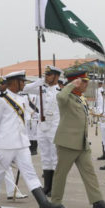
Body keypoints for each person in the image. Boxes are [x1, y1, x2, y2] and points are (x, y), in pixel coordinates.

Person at [0, 70, 61, 208]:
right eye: (22, 81)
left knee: (30, 173)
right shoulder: (1, 100)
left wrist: (42, 80)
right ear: (14, 82)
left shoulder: (21, 99)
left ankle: (43, 204)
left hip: (21, 143)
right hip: (5, 143)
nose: (24, 84)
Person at [50, 70, 105, 208]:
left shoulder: (81, 97)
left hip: (81, 142)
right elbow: (60, 97)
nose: (86, 84)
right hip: (67, 142)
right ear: (76, 82)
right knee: (61, 173)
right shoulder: (66, 97)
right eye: (83, 81)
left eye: (86, 81)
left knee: (89, 172)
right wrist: (71, 85)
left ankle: (97, 200)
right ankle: (55, 202)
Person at [22, 65, 63, 196]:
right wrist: (38, 82)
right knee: (45, 157)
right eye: (46, 75)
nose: (47, 77)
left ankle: (55, 188)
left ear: (56, 76)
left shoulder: (60, 90)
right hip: (42, 126)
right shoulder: (41, 88)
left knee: (55, 158)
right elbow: (23, 89)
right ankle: (47, 187)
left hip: (55, 127)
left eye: (49, 75)